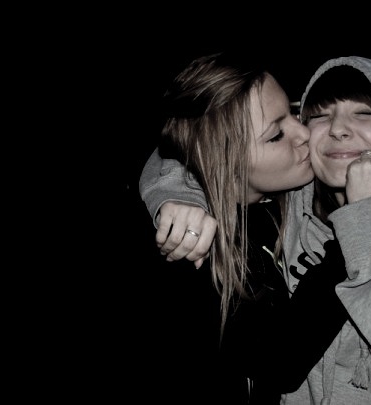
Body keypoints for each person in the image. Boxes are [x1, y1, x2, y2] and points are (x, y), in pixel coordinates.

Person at [141, 56, 371, 404]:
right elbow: (179, 146)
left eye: (365, 113)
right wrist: (176, 195)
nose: (310, 132)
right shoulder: (281, 203)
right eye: (317, 116)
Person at [142, 51, 352, 405]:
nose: (304, 133)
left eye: (294, 110)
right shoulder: (193, 249)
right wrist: (357, 228)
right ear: (224, 160)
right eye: (276, 135)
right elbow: (279, 361)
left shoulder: (282, 196)